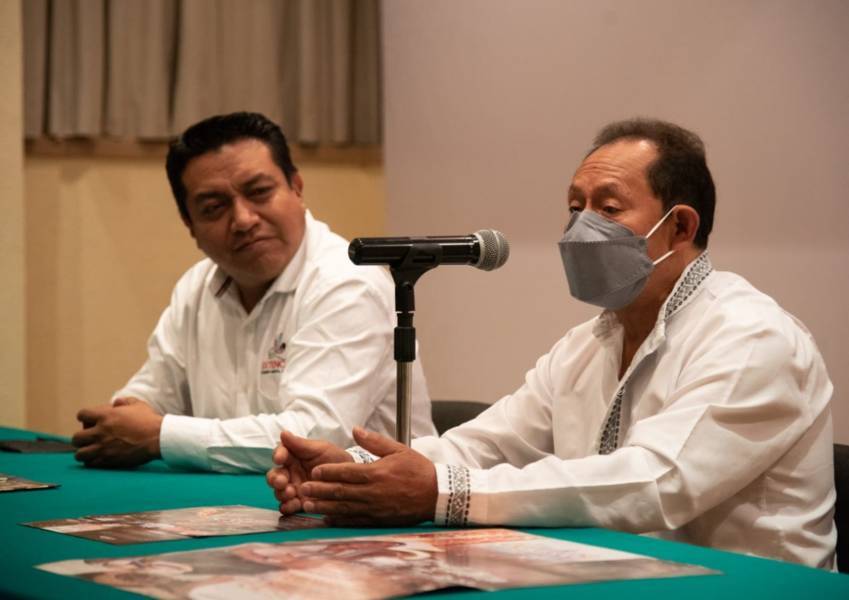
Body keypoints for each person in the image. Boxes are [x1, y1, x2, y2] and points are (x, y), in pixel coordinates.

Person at [266, 118, 836, 569]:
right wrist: (352, 472)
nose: (580, 228)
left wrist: (441, 492)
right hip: (626, 577)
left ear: (680, 227)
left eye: (608, 208)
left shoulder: (753, 337)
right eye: (574, 207)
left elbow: (655, 482)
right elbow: (487, 445)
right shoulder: (590, 341)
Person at [71, 112, 435, 473]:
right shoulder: (197, 287)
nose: (243, 220)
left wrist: (159, 435)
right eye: (214, 208)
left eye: (259, 192)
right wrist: (128, 416)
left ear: (297, 188)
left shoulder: (348, 282)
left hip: (366, 505)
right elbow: (149, 399)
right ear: (189, 224)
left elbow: (313, 437)